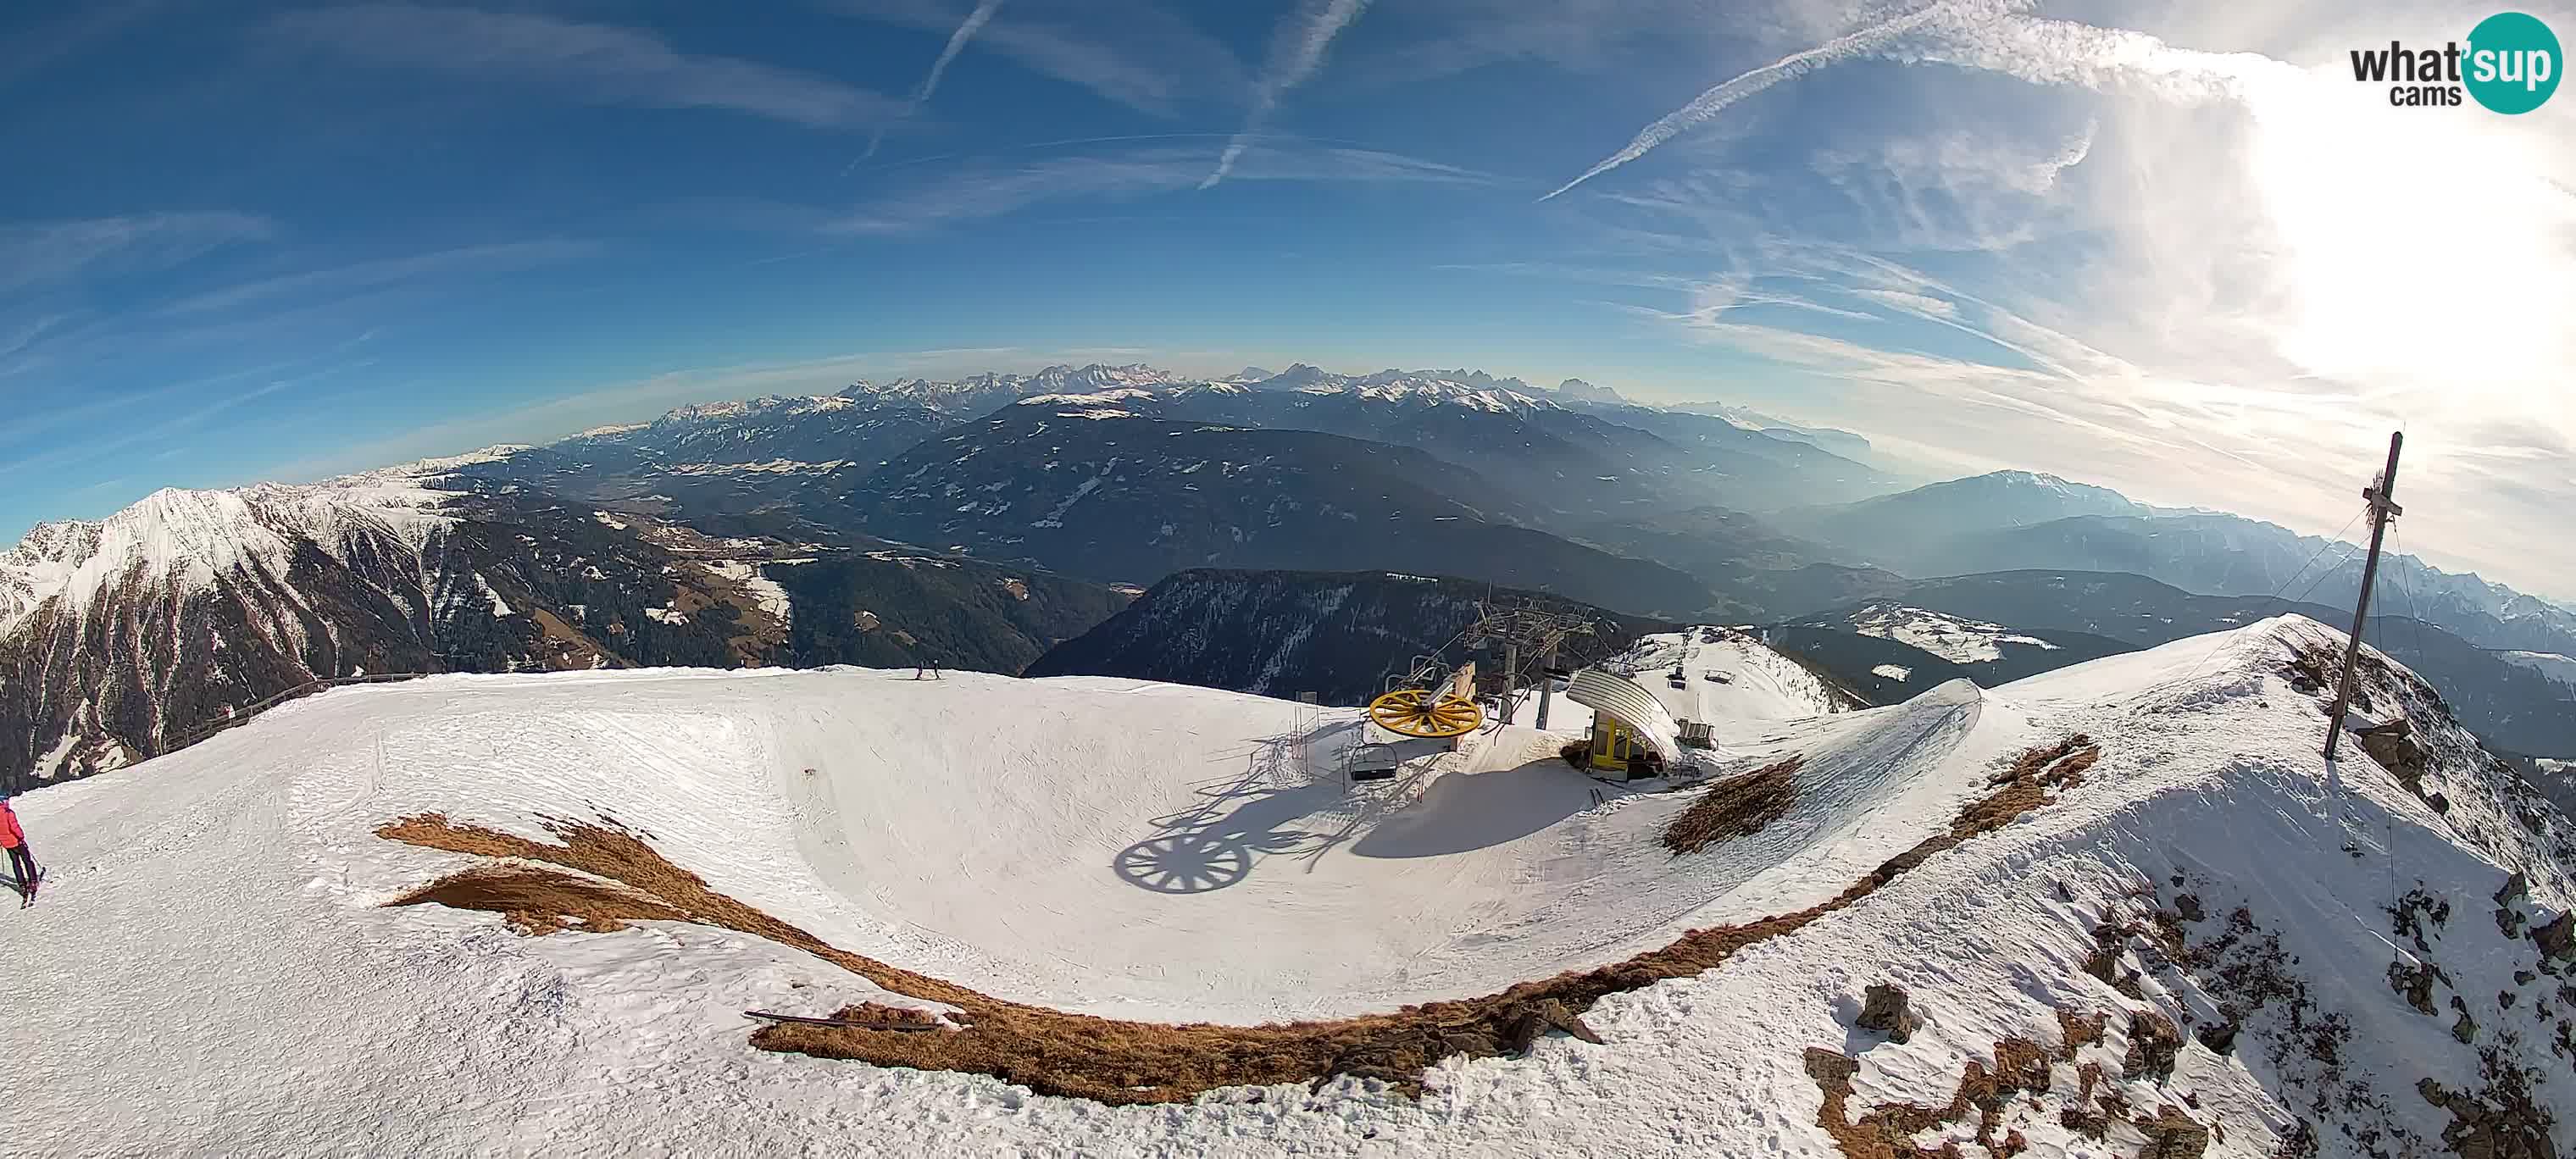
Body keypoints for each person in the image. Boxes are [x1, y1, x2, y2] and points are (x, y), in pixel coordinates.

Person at [0, 796, 33, 900]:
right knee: (27, 861)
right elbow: (14, 827)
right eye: (6, 800)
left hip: (7, 844)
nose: (8, 802)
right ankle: (33, 881)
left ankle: (22, 884)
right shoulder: (8, 813)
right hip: (16, 841)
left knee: (16, 863)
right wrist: (21, 837)